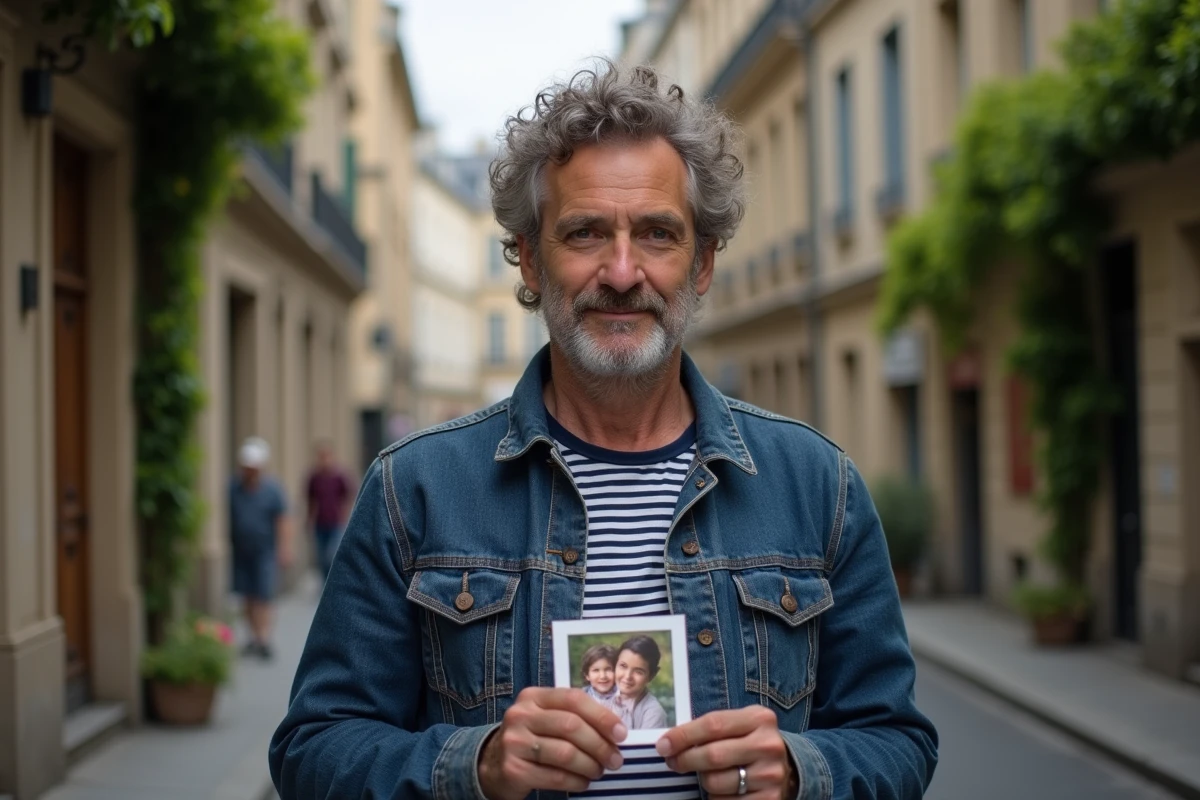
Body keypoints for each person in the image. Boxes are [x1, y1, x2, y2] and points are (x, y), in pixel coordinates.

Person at [270, 61, 937, 800]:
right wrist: (476, 764)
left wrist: (804, 772)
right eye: (585, 232)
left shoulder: (817, 484)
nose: (623, 272)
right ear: (529, 256)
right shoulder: (415, 488)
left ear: (704, 261)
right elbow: (312, 750)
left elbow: (898, 742)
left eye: (657, 234)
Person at [229, 436, 291, 660]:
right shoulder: (233, 488)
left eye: (253, 467)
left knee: (264, 595)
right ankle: (253, 636)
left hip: (265, 549)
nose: (249, 471)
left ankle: (264, 638)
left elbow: (283, 519)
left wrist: (285, 548)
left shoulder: (272, 489)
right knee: (246, 595)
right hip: (240, 549)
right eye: (246, 467)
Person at [305, 440, 352, 582]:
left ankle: (334, 581)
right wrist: (309, 520)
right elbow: (311, 500)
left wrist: (345, 517)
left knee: (331, 555)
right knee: (321, 557)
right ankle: (325, 583)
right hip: (320, 522)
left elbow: (347, 498)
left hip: (336, 522)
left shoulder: (339, 477)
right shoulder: (314, 478)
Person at [610, 636, 667, 731]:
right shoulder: (604, 695)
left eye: (638, 671)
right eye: (623, 666)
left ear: (652, 675)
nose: (627, 676)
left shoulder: (653, 713)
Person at [579, 644, 618, 709]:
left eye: (608, 669)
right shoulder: (581, 698)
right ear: (587, 675)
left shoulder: (624, 696)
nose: (603, 676)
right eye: (596, 670)